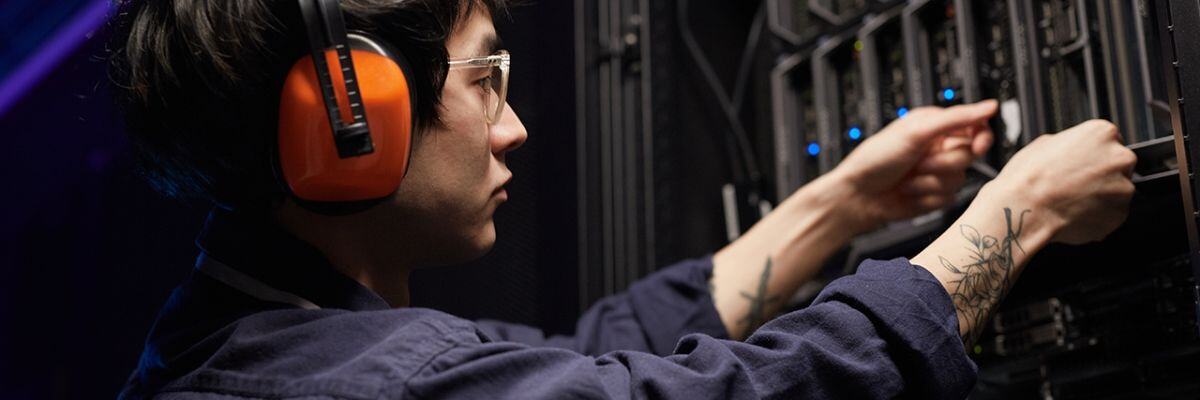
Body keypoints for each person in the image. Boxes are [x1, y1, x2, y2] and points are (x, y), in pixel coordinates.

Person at [110, 0, 1137, 398]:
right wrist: (1020, 214)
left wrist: (837, 206)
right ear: (352, 125)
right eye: (484, 82)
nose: (512, 127)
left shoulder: (238, 328)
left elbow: (571, 367)